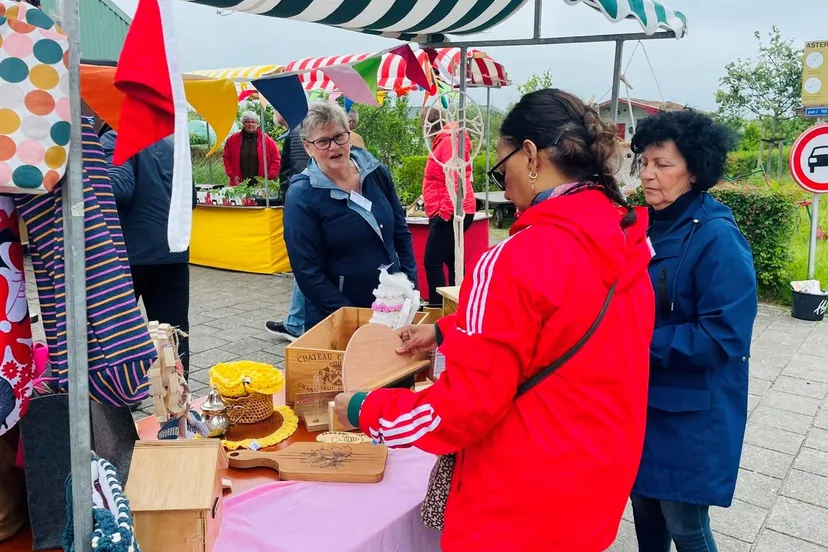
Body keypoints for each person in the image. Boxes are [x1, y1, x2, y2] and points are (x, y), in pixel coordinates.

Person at [334, 89, 656, 552]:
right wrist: (446, 330)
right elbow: (563, 319)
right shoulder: (626, 237)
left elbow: (461, 411)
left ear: (529, 155)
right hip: (597, 479)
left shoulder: (511, 258)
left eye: (501, 167)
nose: (503, 185)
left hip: (518, 500)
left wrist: (365, 409)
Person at [629, 110, 758, 552]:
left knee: (684, 523)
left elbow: (725, 335)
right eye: (644, 163)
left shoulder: (717, 237)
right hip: (640, 400)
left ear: (694, 170)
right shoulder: (643, 225)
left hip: (689, 410)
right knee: (645, 514)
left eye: (662, 165)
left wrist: (636, 343)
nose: (648, 175)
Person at [283, 102, 417, 330]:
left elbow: (400, 234)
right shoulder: (302, 195)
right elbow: (308, 273)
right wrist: (352, 317)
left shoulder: (375, 172)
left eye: (339, 137)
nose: (334, 147)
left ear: (349, 134)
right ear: (308, 147)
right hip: (338, 315)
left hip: (392, 305)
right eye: (323, 141)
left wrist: (409, 286)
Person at [100, 125, 197, 380]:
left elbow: (118, 188)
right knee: (172, 334)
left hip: (130, 255)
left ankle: (122, 396)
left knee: (118, 331)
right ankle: (176, 399)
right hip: (172, 253)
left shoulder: (115, 138)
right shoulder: (170, 145)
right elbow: (192, 199)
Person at [421, 106, 476, 307]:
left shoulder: (447, 141)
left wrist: (443, 213)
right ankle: (457, 306)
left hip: (450, 210)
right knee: (453, 262)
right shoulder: (448, 140)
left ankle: (438, 306)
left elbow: (455, 176)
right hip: (454, 208)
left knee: (432, 261)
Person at [266, 112, 312, 341]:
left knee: (304, 265)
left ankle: (296, 323)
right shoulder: (302, 131)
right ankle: (297, 321)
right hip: (307, 202)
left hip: (302, 204)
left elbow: (293, 171)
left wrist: (291, 200)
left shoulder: (297, 134)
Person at [222, 111, 281, 187]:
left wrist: (268, 177)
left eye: (253, 122)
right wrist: (232, 175)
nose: (250, 124)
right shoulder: (232, 140)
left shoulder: (267, 140)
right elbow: (226, 158)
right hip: (238, 183)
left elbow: (276, 159)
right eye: (247, 122)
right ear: (243, 123)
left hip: (261, 184)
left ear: (257, 124)